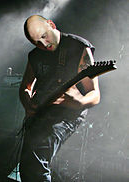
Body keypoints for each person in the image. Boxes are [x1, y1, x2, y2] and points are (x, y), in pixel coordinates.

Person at [19, 15, 100, 181]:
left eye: (43, 36)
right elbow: (25, 86)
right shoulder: (35, 55)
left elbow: (95, 94)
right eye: (36, 42)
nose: (43, 44)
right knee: (26, 166)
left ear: (51, 24)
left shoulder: (77, 47)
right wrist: (27, 103)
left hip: (67, 114)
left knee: (36, 158)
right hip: (42, 112)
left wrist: (80, 102)